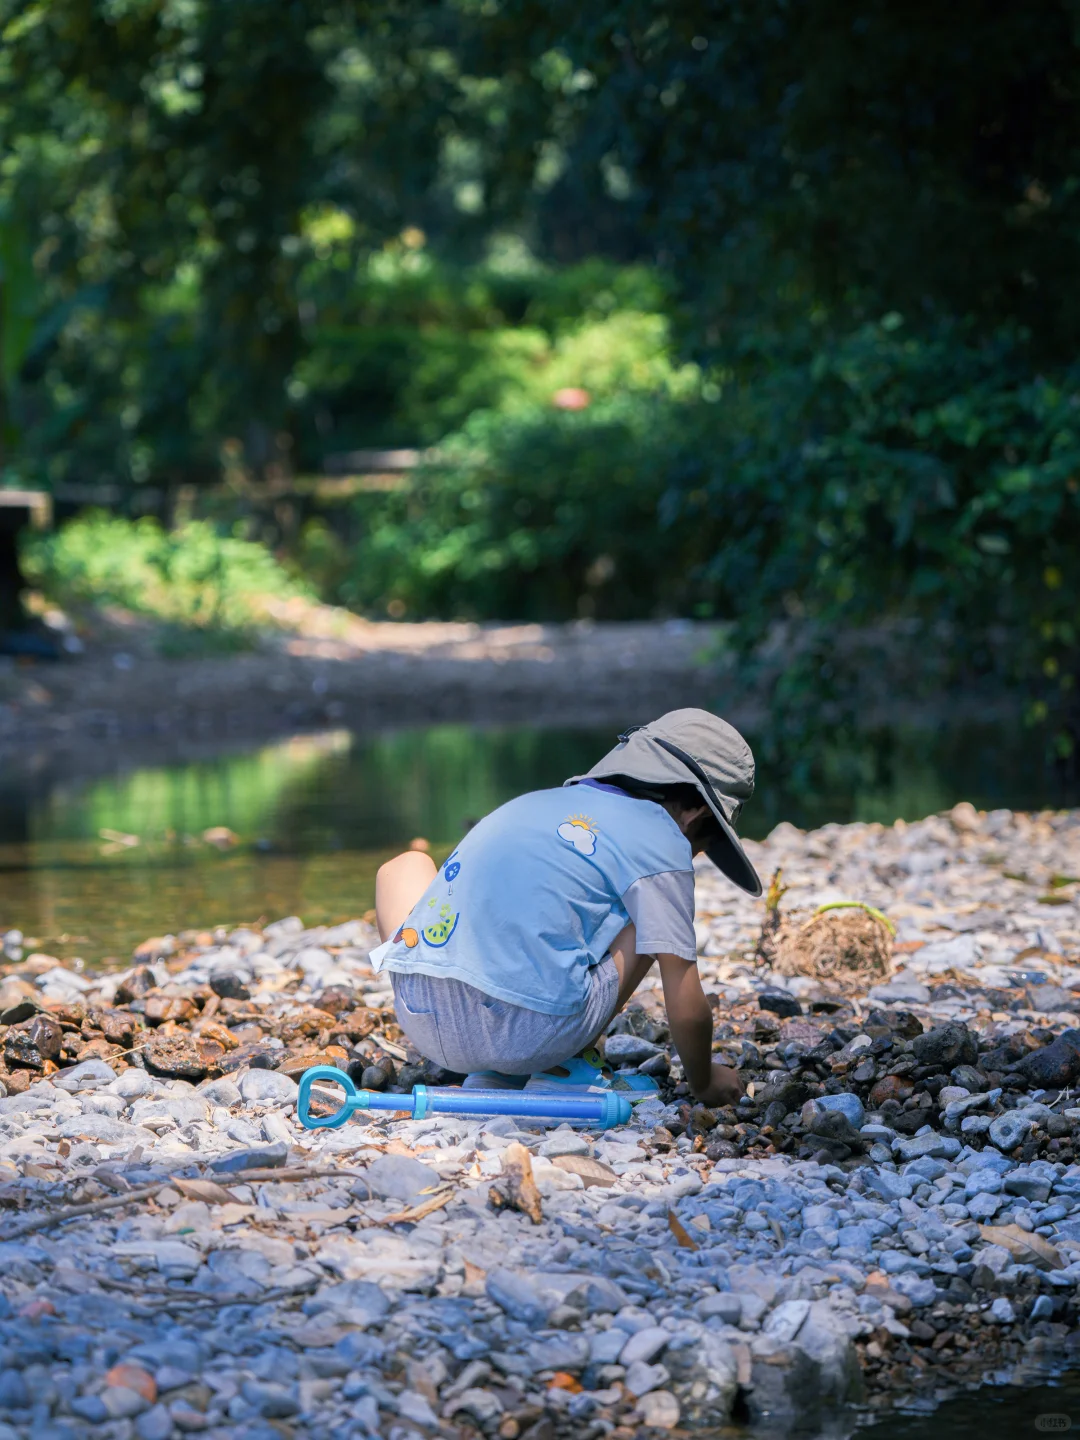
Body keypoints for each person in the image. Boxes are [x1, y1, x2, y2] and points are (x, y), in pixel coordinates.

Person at [369, 708, 762, 1107]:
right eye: (702, 846)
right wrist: (705, 1082)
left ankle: (494, 1069)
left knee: (406, 865)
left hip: (422, 1015)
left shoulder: (545, 802)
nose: (691, 857)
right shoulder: (663, 840)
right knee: (651, 917)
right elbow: (683, 993)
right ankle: (564, 1070)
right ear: (697, 814)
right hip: (530, 1035)